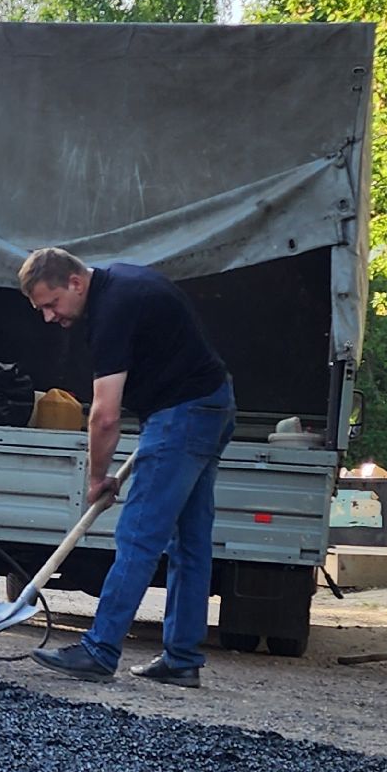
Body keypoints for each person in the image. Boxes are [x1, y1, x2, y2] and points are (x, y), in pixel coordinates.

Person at [19, 248, 235, 689]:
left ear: (75, 282)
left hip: (183, 414)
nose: (48, 316)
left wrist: (98, 477)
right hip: (212, 403)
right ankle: (182, 657)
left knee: (138, 535)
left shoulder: (112, 310)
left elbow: (104, 416)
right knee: (190, 540)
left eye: (51, 304)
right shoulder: (126, 284)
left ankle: (99, 650)